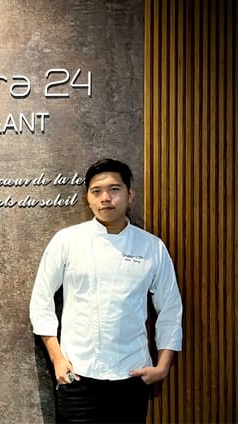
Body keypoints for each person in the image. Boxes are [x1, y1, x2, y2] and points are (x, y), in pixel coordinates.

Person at [29, 158, 183, 423]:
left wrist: (163, 366)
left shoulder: (152, 247)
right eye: (96, 191)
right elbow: (41, 299)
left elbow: (170, 308)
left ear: (130, 195)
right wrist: (57, 358)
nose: (105, 198)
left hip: (132, 376)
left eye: (114, 189)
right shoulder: (67, 241)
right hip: (78, 375)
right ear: (88, 198)